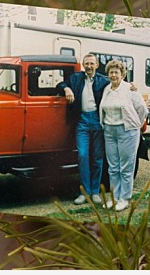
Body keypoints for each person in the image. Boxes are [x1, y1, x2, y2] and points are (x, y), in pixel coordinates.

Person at [59, 54, 109, 205]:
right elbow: (60, 84)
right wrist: (67, 88)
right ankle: (84, 192)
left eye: (91, 63)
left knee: (97, 157)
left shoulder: (103, 81)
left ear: (96, 65)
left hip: (97, 120)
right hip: (81, 121)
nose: (89, 66)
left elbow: (118, 86)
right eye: (86, 63)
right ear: (83, 65)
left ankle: (95, 192)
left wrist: (132, 87)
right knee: (82, 156)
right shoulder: (76, 78)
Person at [100, 59, 149, 211]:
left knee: (126, 167)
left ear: (122, 74)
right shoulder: (107, 89)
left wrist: (136, 124)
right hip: (109, 130)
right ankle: (114, 198)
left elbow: (142, 109)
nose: (113, 75)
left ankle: (124, 199)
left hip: (127, 131)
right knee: (113, 167)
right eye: (111, 72)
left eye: (116, 72)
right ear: (108, 74)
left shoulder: (130, 89)